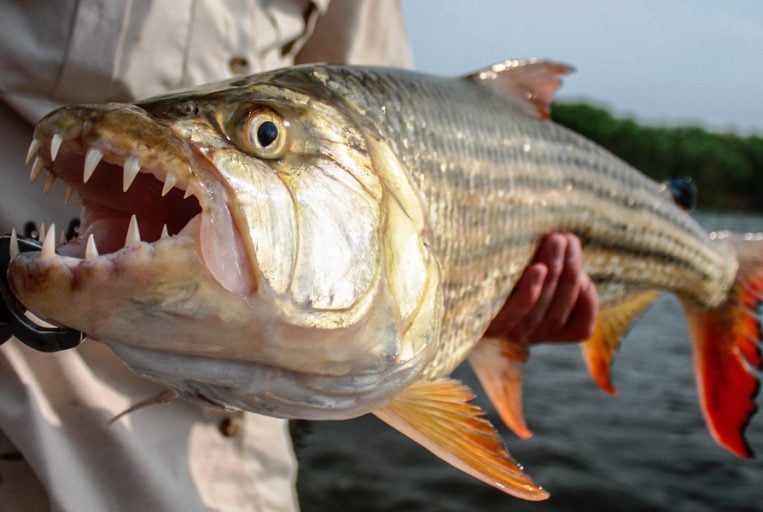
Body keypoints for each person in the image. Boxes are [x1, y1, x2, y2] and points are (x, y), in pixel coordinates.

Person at [0, 1, 597, 510]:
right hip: (32, 438)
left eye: (265, 134)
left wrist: (485, 300)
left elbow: (385, 133)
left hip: (253, 467)